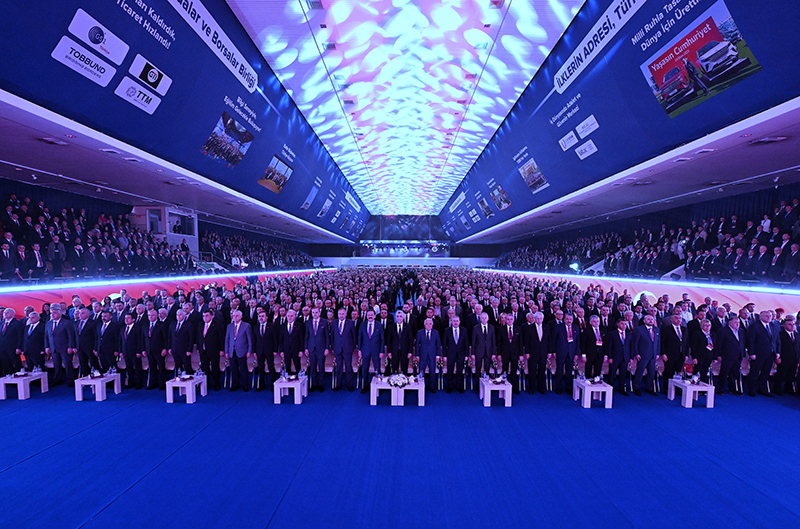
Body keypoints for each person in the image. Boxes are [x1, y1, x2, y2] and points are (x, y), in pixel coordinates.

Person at [746, 311, 780, 397]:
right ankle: (751, 389)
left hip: (771, 353)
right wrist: (752, 353)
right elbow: (751, 340)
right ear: (760, 316)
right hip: (758, 353)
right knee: (754, 372)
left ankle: (762, 389)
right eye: (766, 316)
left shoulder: (773, 325)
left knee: (766, 372)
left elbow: (777, 340)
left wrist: (777, 351)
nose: (768, 317)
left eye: (770, 316)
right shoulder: (754, 326)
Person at [44, 305, 76, 386]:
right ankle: (58, 379)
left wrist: (70, 347)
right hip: (53, 348)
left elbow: (71, 336)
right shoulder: (49, 323)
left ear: (60, 314)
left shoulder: (66, 323)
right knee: (56, 365)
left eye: (54, 313)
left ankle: (70, 379)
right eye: (51, 313)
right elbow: (46, 336)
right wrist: (47, 347)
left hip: (65, 347)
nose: (52, 315)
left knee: (67, 364)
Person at [225, 310, 253, 392]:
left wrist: (249, 351)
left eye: (237, 316)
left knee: (243, 369)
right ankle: (235, 384)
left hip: (242, 350)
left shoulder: (246, 326)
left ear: (241, 317)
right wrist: (226, 351)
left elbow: (249, 339)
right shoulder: (229, 326)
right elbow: (227, 339)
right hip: (232, 351)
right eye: (233, 316)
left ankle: (245, 385)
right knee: (233, 368)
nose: (235, 317)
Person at [716, 317, 745, 396]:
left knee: (734, 373)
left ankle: (732, 388)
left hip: (738, 355)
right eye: (735, 322)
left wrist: (743, 353)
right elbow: (719, 343)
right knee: (724, 372)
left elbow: (742, 342)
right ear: (730, 323)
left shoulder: (741, 331)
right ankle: (721, 389)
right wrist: (719, 354)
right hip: (727, 355)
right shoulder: (723, 330)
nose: (737, 324)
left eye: (738, 322)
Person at [632, 314, 660, 396]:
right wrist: (636, 353)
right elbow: (635, 342)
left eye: (652, 319)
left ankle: (649, 388)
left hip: (653, 355)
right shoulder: (639, 329)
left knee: (651, 373)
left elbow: (658, 342)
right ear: (644, 321)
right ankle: (636, 388)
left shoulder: (656, 329)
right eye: (648, 319)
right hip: (642, 354)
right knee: (639, 372)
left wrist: (658, 353)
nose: (651, 321)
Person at [358, 309, 384, 394]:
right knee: (365, 369)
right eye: (368, 315)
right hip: (365, 350)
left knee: (377, 369)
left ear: (375, 316)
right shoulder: (362, 324)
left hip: (376, 350)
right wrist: (359, 350)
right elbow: (360, 338)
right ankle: (365, 386)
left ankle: (378, 386)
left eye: (372, 315)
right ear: (366, 316)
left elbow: (382, 339)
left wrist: (381, 351)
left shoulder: (379, 325)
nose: (370, 316)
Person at [522, 312, 549, 394]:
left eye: (540, 319)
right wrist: (527, 352)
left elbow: (549, 340)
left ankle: (540, 387)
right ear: (534, 319)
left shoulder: (546, 327)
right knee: (532, 371)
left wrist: (550, 351)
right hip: (532, 353)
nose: (539, 320)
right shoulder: (530, 328)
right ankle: (531, 388)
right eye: (537, 318)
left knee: (542, 371)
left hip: (543, 352)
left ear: (543, 319)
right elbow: (527, 341)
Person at [305, 307, 330, 392]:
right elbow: (306, 336)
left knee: (321, 367)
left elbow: (327, 336)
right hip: (311, 348)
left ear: (319, 313)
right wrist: (306, 348)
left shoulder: (324, 322)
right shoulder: (308, 322)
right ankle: (314, 384)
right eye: (313, 312)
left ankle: (321, 384)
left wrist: (327, 348)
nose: (315, 314)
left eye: (316, 312)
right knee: (313, 367)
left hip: (321, 349)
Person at [331, 307, 357, 392]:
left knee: (348, 367)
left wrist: (353, 347)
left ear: (345, 314)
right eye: (339, 314)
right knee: (339, 367)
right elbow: (332, 336)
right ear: (337, 314)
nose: (341, 315)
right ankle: (339, 384)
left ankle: (350, 385)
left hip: (348, 349)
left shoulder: (351, 323)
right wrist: (333, 347)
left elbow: (354, 336)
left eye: (343, 314)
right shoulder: (334, 323)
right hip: (337, 348)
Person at [143, 309, 169, 390]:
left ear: (157, 316)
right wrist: (143, 349)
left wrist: (165, 348)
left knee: (161, 367)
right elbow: (143, 338)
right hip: (149, 350)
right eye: (149, 315)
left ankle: (162, 383)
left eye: (153, 315)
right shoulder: (145, 325)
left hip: (159, 350)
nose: (151, 317)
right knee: (152, 367)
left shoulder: (162, 324)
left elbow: (166, 338)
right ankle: (154, 382)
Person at [496, 313, 522, 394]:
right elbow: (499, 342)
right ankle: (504, 387)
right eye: (508, 319)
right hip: (504, 353)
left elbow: (520, 342)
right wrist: (499, 354)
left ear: (513, 320)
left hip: (515, 353)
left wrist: (521, 354)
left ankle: (514, 387)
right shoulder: (501, 329)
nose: (510, 321)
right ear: (505, 320)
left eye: (511, 319)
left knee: (514, 370)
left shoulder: (518, 328)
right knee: (504, 370)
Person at [252, 309, 277, 391]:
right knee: (260, 368)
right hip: (259, 350)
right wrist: (254, 351)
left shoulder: (272, 326)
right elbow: (254, 340)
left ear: (266, 317)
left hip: (269, 350)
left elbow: (275, 339)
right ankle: (261, 385)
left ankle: (273, 385)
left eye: (263, 316)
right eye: (259, 316)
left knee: (271, 367)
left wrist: (275, 350)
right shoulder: (256, 327)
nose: (261, 318)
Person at [660, 314, 688, 386]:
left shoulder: (684, 329)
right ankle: (667, 388)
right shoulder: (666, 329)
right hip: (670, 355)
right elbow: (662, 342)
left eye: (680, 318)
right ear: (671, 320)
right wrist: (663, 353)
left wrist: (686, 354)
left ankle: (677, 388)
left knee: (678, 373)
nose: (678, 320)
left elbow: (687, 342)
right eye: (676, 318)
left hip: (681, 354)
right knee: (668, 372)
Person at [470, 312, 495, 392]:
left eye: (485, 318)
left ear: (488, 319)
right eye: (482, 318)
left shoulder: (492, 327)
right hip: (478, 351)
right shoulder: (475, 328)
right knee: (478, 370)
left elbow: (493, 341)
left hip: (488, 351)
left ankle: (486, 387)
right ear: (480, 319)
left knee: (487, 370)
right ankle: (478, 388)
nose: (484, 319)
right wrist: (473, 353)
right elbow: (473, 341)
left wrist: (494, 353)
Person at [443, 315, 467, 393]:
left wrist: (466, 355)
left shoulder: (464, 330)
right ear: (451, 322)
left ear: (459, 322)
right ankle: (450, 387)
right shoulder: (447, 330)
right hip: (450, 354)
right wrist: (444, 355)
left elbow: (466, 343)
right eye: (454, 321)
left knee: (460, 371)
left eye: (457, 321)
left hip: (461, 354)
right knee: (450, 371)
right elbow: (444, 344)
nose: (455, 323)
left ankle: (458, 386)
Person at [607, 318, 632, 395]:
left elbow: (631, 346)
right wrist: (610, 357)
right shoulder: (612, 333)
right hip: (615, 357)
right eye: (622, 324)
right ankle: (610, 388)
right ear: (617, 324)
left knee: (623, 374)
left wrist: (631, 357)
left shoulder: (629, 333)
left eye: (625, 324)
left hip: (625, 357)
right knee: (612, 374)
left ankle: (622, 389)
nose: (624, 325)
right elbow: (609, 346)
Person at [415, 318, 440, 394]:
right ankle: (421, 386)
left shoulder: (436, 333)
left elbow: (438, 345)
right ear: (424, 324)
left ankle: (432, 387)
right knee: (421, 372)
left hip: (432, 355)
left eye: (430, 324)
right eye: (427, 324)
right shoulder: (419, 332)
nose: (428, 325)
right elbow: (417, 345)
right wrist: (417, 355)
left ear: (432, 324)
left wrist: (438, 356)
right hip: (422, 355)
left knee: (432, 372)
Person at [774, 318, 799, 396]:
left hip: (794, 358)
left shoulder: (797, 335)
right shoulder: (780, 334)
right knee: (781, 374)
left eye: (793, 324)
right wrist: (778, 357)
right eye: (789, 324)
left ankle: (788, 388)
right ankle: (777, 389)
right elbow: (777, 346)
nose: (792, 326)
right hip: (784, 358)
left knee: (791, 374)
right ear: (784, 326)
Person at [119, 313, 144, 389]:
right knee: (129, 368)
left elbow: (140, 340)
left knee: (137, 368)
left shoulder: (137, 328)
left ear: (133, 319)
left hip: (134, 351)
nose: (126, 320)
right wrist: (121, 351)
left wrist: (139, 351)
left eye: (128, 318)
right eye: (125, 318)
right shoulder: (123, 328)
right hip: (126, 351)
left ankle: (139, 383)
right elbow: (120, 341)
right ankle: (131, 382)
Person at [386, 310, 413, 376]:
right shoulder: (391, 327)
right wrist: (389, 352)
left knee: (404, 370)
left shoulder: (408, 327)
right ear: (395, 317)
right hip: (394, 352)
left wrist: (410, 351)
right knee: (394, 371)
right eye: (397, 316)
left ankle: (404, 381)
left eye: (400, 316)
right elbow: (388, 341)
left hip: (405, 352)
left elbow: (410, 340)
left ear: (403, 317)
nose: (399, 318)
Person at [168, 309, 195, 375]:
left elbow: (191, 338)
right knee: (178, 367)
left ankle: (189, 380)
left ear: (184, 315)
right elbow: (169, 337)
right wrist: (169, 347)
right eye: (177, 315)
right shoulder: (172, 324)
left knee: (187, 367)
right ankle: (179, 380)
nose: (178, 316)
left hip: (185, 350)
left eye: (180, 315)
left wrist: (189, 350)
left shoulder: (189, 325)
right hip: (175, 349)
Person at [74, 308, 99, 376]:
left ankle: (96, 376)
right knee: (83, 363)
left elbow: (96, 336)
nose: (80, 315)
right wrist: (74, 346)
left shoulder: (93, 323)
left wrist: (95, 348)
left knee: (93, 362)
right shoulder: (76, 323)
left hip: (90, 347)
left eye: (83, 313)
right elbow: (75, 336)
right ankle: (85, 376)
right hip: (80, 347)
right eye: (79, 313)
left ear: (88, 314)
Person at [280, 309, 304, 376]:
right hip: (286, 348)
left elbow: (301, 339)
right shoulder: (283, 326)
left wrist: (301, 350)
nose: (289, 317)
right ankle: (288, 379)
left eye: (291, 316)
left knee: (297, 364)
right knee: (287, 365)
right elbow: (281, 339)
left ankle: (298, 378)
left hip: (296, 348)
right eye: (288, 316)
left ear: (295, 316)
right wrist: (281, 350)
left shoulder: (299, 326)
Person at [581, 314, 606, 379]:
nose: (596, 323)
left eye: (597, 321)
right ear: (590, 322)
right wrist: (583, 354)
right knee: (588, 368)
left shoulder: (603, 330)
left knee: (598, 368)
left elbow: (606, 343)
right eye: (594, 321)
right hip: (590, 353)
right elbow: (583, 343)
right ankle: (588, 381)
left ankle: (596, 381)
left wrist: (606, 355)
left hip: (600, 353)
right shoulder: (587, 330)